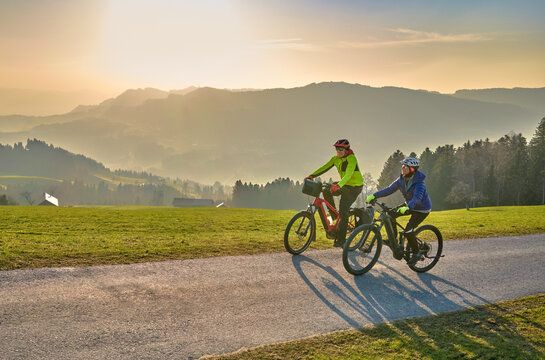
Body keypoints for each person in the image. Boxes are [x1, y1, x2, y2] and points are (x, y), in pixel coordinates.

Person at [366, 157, 432, 265]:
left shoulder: (419, 183)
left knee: (408, 231)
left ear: (412, 169)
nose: (402, 168)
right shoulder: (401, 179)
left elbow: (417, 198)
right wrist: (374, 195)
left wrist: (408, 206)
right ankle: (394, 241)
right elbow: (389, 189)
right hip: (409, 205)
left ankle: (416, 253)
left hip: (421, 209)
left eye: (405, 166)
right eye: (402, 166)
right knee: (390, 214)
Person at [305, 139, 364, 247]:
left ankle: (342, 240)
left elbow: (349, 174)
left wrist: (338, 186)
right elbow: (324, 167)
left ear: (346, 150)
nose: (338, 151)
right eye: (336, 149)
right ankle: (335, 217)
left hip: (355, 187)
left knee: (343, 210)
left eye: (340, 149)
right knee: (325, 190)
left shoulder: (352, 158)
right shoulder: (335, 159)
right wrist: (312, 175)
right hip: (344, 184)